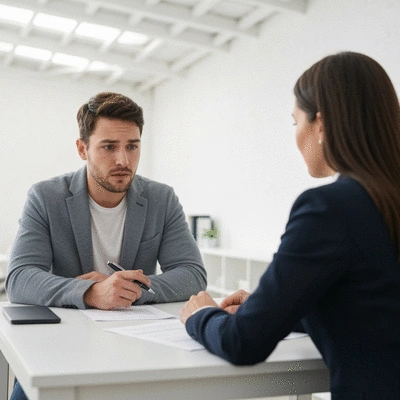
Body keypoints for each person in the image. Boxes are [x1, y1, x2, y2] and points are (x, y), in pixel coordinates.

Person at [180, 52, 400, 399]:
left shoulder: (329, 208)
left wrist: (201, 315)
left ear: (321, 124)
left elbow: (243, 343)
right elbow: (374, 309)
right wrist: (273, 307)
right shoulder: (384, 200)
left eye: (295, 122)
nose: (296, 136)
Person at [7, 92, 207, 399]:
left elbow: (193, 274)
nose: (123, 160)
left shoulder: (161, 199)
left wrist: (129, 290)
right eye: (109, 147)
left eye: (132, 146)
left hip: (139, 343)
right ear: (82, 148)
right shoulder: (45, 197)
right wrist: (90, 292)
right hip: (63, 343)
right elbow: (19, 279)